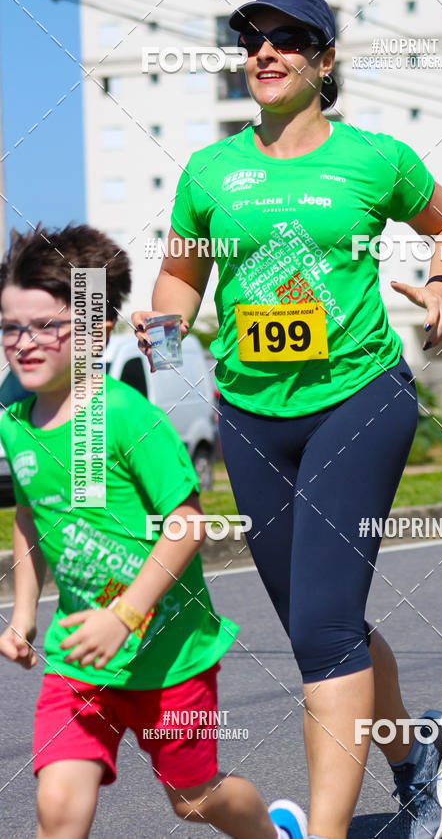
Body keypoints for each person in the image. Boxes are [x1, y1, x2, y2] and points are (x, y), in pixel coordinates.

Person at [133, 0, 442, 839]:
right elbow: (180, 277)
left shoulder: (374, 158)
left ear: (325, 63)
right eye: (251, 38)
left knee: (324, 630)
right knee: (325, 626)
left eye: (290, 39)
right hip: (252, 417)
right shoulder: (211, 172)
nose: (266, 51)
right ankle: (415, 753)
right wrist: (168, 353)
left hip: (359, 400)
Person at [0, 224, 307, 839]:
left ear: (92, 328)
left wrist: (127, 615)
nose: (24, 344)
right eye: (10, 328)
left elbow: (186, 525)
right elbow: (33, 512)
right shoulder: (13, 414)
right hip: (80, 655)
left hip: (169, 656)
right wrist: (24, 610)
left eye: (46, 327)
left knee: (194, 801)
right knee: (57, 808)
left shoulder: (127, 417)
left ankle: (278, 832)